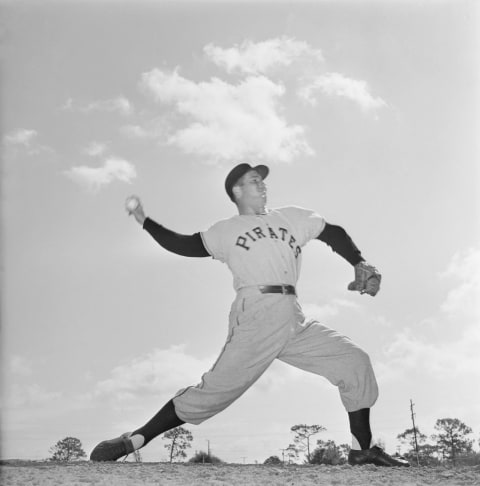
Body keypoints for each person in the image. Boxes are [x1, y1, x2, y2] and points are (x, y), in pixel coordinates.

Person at [90, 163, 409, 467]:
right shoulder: (227, 230)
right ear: (237, 191)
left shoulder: (290, 217)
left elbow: (333, 232)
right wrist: (145, 221)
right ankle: (135, 440)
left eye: (262, 178)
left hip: (292, 316)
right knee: (213, 393)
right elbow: (183, 244)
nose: (262, 183)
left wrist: (359, 262)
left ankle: (361, 451)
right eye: (254, 179)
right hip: (256, 313)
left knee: (354, 362)